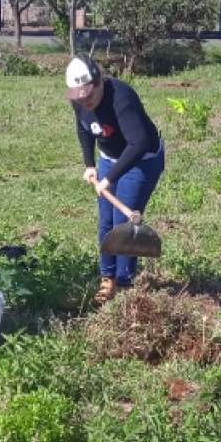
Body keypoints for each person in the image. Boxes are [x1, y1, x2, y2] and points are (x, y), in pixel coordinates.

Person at [66, 55, 165, 304]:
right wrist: (90, 165)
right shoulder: (80, 100)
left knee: (124, 223)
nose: (85, 101)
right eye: (79, 97)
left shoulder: (121, 98)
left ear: (99, 83)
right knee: (106, 222)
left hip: (142, 160)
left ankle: (124, 284)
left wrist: (109, 178)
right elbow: (83, 129)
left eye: (88, 95)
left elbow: (139, 143)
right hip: (109, 159)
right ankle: (107, 279)